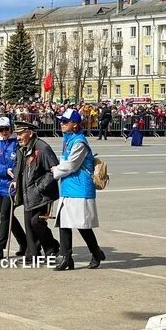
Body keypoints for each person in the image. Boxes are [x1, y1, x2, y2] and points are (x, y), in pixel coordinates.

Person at [51, 109, 105, 271]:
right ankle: (66, 257)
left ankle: (95, 252)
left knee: (82, 225)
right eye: (61, 121)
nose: (61, 124)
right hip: (69, 186)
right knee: (64, 223)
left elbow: (71, 165)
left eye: (65, 122)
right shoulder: (68, 140)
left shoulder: (79, 142)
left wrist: (55, 171)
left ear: (75, 125)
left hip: (80, 188)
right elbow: (65, 162)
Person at [13, 121, 60, 263]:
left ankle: (52, 248)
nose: (18, 137)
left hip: (42, 195)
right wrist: (15, 180)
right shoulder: (22, 148)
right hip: (27, 193)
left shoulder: (42, 148)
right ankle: (32, 254)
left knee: (36, 223)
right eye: (17, 134)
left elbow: (53, 171)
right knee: (28, 223)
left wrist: (39, 188)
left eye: (21, 133)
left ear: (30, 133)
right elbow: (18, 167)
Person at [0, 117, 26, 259]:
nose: (4, 132)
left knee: (5, 216)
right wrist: (4, 170)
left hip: (12, 186)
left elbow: (20, 162)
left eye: (6, 129)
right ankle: (24, 242)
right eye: (1, 129)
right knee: (9, 217)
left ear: (11, 129)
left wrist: (13, 172)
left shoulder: (16, 144)